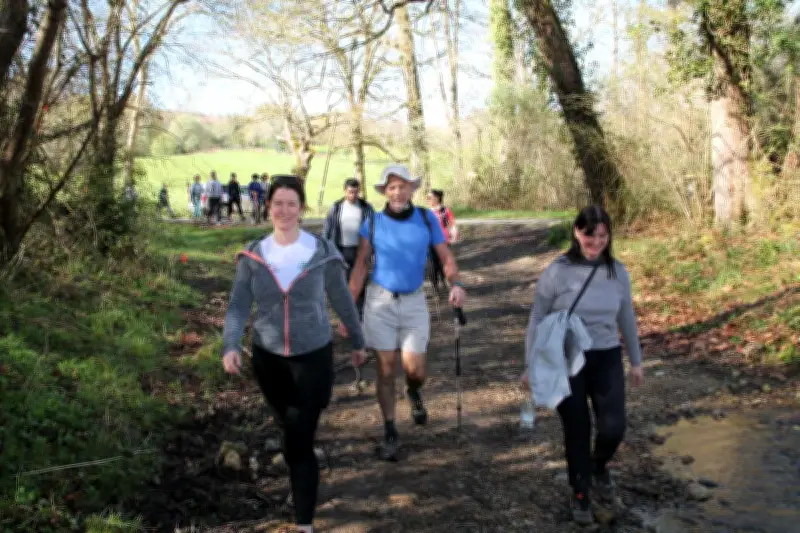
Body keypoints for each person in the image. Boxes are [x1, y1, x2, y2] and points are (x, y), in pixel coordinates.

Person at [221, 175, 367, 533]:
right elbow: (239, 305)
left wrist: (358, 339)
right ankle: (298, 476)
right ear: (268, 206)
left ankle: (304, 523)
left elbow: (342, 298)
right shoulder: (253, 255)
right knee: (289, 431)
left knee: (300, 438)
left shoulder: (321, 252)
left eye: (291, 204)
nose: (284, 210)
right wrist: (230, 345)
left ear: (301, 208)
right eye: (278, 203)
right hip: (268, 358)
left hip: (312, 356)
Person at [521, 205, 644, 525]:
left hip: (606, 356)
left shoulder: (617, 272)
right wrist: (530, 364)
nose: (596, 242)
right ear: (577, 232)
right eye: (590, 236)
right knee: (577, 428)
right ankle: (580, 493)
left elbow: (626, 317)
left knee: (613, 428)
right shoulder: (557, 271)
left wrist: (636, 361)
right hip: (566, 360)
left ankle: (598, 466)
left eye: (603, 236)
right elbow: (537, 316)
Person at [348, 164, 467, 461]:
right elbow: (360, 265)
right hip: (380, 302)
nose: (397, 192)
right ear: (385, 192)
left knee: (416, 371)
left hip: (414, 301)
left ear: (412, 189)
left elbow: (445, 257)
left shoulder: (427, 219)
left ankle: (413, 391)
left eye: (402, 186)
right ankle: (390, 428)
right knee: (386, 369)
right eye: (391, 187)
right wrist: (348, 308)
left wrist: (456, 283)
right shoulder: (372, 223)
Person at [322, 178, 375, 333]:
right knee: (343, 286)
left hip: (361, 251)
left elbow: (375, 229)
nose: (353, 195)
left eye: (356, 192)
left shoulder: (366, 207)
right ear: (344, 191)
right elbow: (327, 229)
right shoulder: (336, 208)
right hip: (341, 251)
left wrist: (374, 250)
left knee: (361, 285)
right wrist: (326, 250)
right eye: (350, 192)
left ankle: (359, 318)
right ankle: (345, 319)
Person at [426, 189, 458, 291]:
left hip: (444, 240)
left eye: (429, 197)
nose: (428, 200)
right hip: (430, 242)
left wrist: (454, 234)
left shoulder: (445, 211)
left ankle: (444, 280)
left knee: (444, 262)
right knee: (432, 264)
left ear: (437, 198)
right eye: (427, 198)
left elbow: (452, 224)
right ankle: (435, 286)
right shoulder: (426, 212)